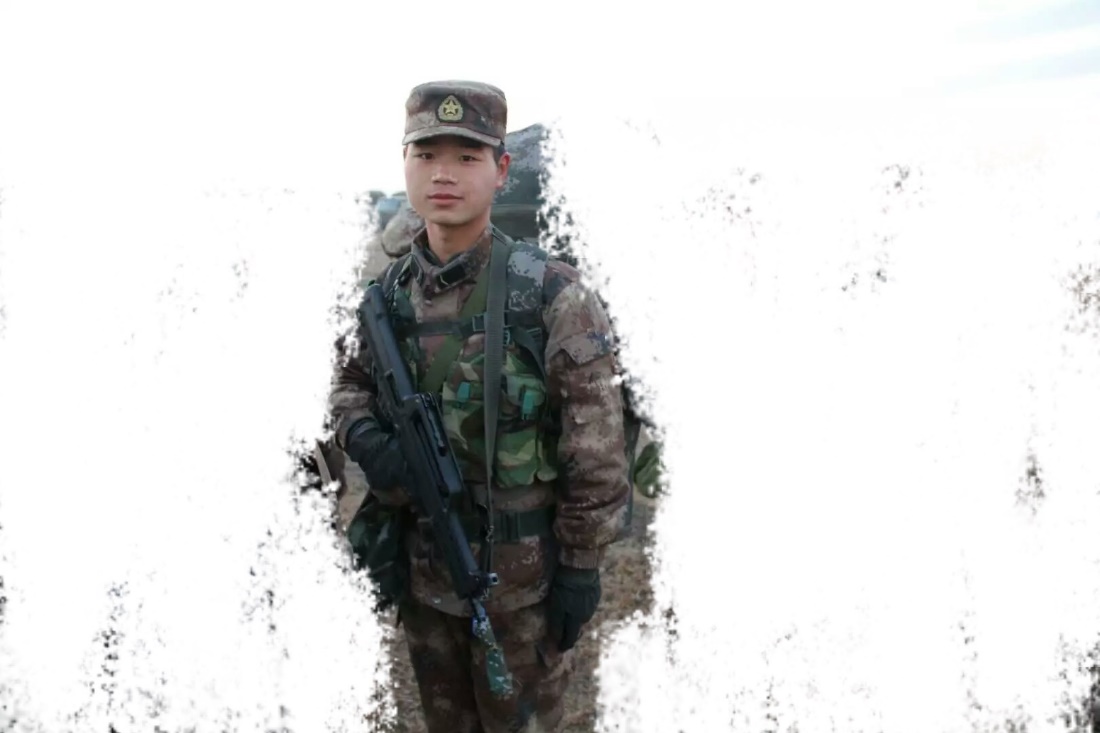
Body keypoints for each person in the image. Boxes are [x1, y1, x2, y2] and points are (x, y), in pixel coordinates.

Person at [328, 80, 630, 733]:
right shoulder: (387, 295)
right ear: (404, 163)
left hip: (524, 594)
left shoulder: (551, 294)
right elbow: (348, 383)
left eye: (466, 157)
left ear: (501, 170)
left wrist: (581, 568)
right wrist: (368, 439)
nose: (443, 174)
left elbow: (598, 451)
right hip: (423, 579)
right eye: (426, 154)